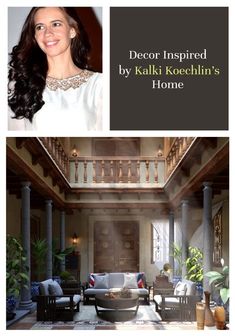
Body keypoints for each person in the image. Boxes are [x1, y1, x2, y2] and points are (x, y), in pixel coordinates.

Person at [8, 7, 102, 131]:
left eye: (56, 24)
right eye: (40, 27)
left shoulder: (100, 85)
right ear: (35, 36)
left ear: (72, 31)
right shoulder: (20, 86)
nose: (47, 33)